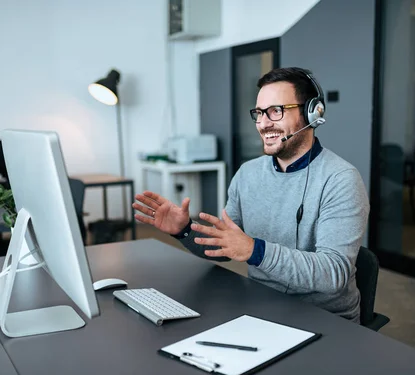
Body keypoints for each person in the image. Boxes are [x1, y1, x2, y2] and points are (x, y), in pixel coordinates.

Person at [132, 67, 370, 323]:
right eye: (259, 113)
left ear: (312, 113)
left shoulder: (341, 179)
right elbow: (226, 247)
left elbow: (333, 275)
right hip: (260, 305)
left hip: (325, 320)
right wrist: (185, 230)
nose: (263, 123)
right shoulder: (248, 174)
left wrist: (255, 251)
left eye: (276, 111)